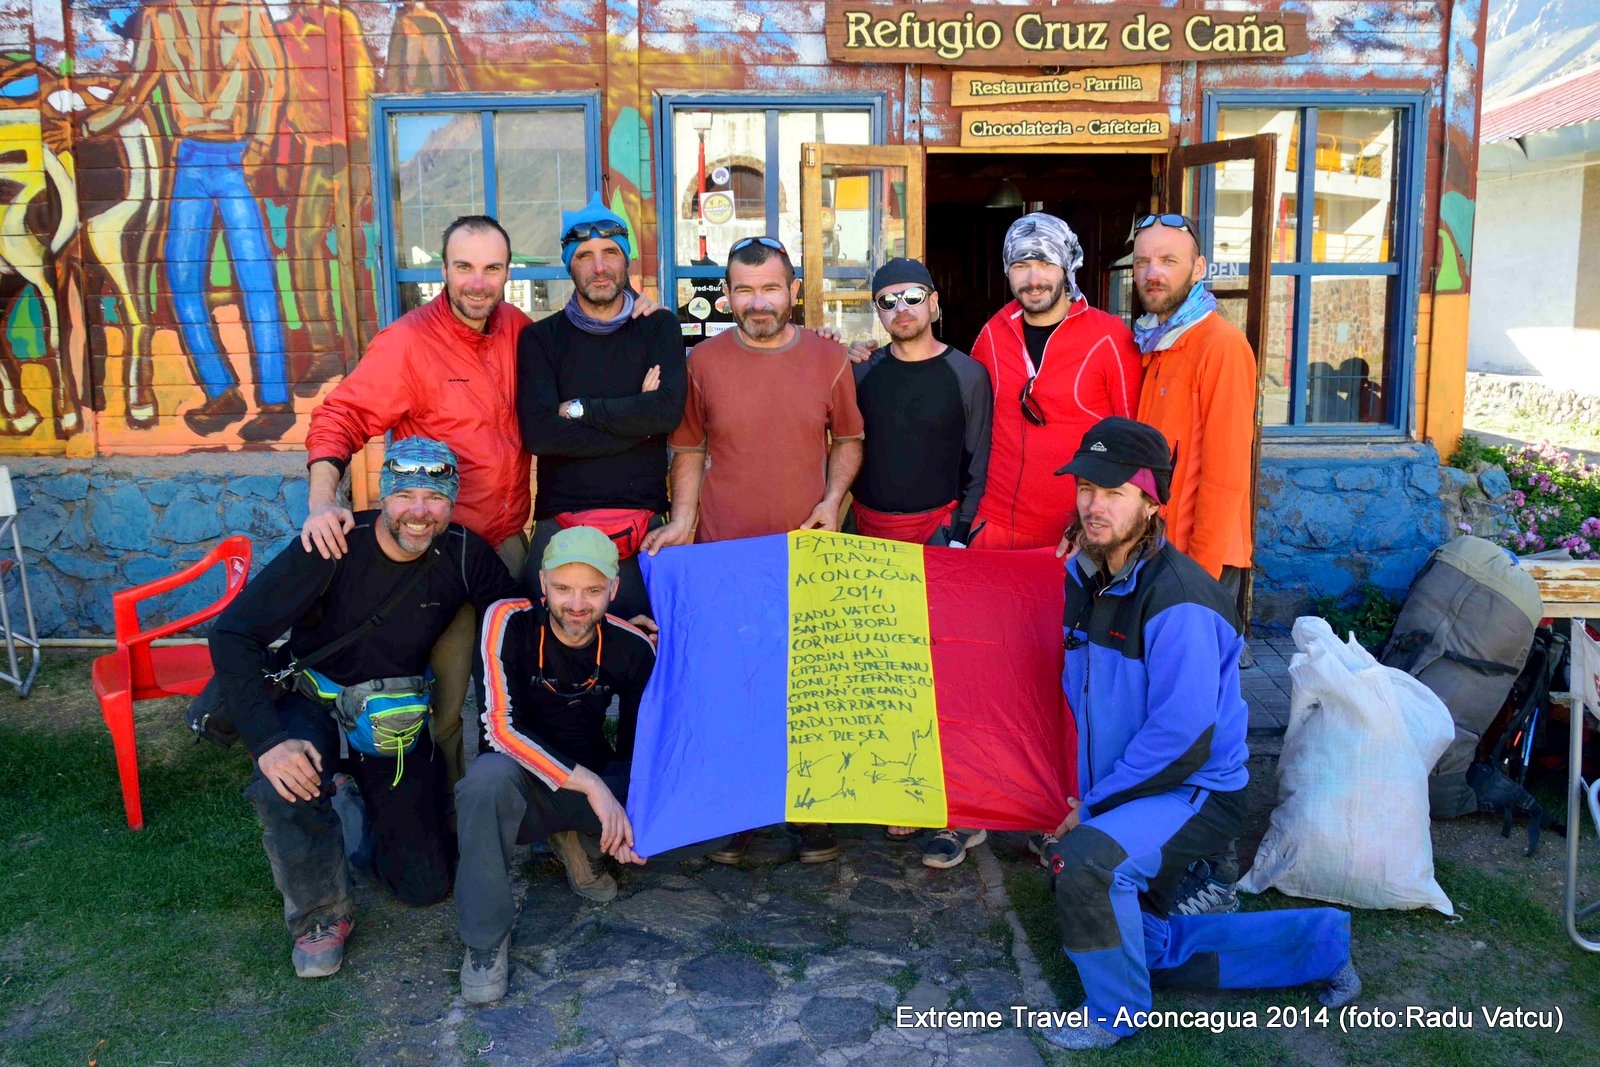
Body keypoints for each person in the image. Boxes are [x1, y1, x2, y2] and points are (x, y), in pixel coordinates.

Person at [1037, 416, 1359, 1051]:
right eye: (1085, 489)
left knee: (1084, 870)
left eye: (1113, 492)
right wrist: (1081, 797)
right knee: (1131, 927)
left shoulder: (1178, 598)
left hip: (1198, 790)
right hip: (1144, 786)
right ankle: (1319, 946)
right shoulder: (1086, 574)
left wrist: (1096, 810)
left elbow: (1183, 740)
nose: (1093, 505)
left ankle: (1114, 1014)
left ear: (1150, 501)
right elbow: (1086, 701)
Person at [209, 438, 520, 979]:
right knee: (287, 780)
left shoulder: (465, 554)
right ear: (384, 494)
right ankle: (318, 915)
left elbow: (521, 622)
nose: (419, 512)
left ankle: (354, 808)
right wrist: (268, 744)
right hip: (313, 699)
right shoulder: (332, 544)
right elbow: (234, 633)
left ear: (451, 500)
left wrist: (603, 626)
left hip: (389, 714)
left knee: (426, 886)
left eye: (434, 496)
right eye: (405, 495)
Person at [643, 235, 864, 864]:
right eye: (744, 289)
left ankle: (810, 814)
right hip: (725, 551)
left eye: (770, 288)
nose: (758, 302)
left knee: (808, 686)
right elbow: (688, 448)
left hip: (807, 553)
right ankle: (737, 816)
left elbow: (848, 439)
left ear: (793, 290)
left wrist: (832, 504)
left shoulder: (830, 359)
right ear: (728, 294)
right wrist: (683, 520)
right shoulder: (703, 362)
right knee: (732, 685)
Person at [300, 215, 531, 785]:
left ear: (507, 271)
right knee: (448, 702)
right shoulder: (407, 343)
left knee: (516, 685)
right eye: (464, 267)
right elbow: (342, 415)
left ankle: (513, 805)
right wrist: (323, 499)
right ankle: (443, 824)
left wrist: (633, 309)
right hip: (441, 552)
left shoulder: (519, 330)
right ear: (444, 270)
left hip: (505, 545)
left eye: (491, 268)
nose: (478, 283)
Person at [456, 526, 659, 1004]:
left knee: (681, 820)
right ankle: (485, 942)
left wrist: (641, 819)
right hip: (520, 785)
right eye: (564, 588)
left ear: (613, 589)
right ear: (543, 583)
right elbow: (497, 729)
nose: (577, 604)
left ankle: (582, 840)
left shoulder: (632, 644)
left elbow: (643, 746)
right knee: (482, 784)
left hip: (592, 783)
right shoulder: (508, 620)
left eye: (592, 590)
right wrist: (593, 788)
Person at [79, 0, 291, 439]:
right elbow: (135, 89)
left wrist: (262, 144)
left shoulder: (247, 12)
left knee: (256, 278)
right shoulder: (159, 18)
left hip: (238, 156)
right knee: (181, 280)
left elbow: (274, 78)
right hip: (190, 157)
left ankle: (276, 399)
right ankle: (222, 392)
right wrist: (82, 129)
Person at [1130, 212, 1260, 914]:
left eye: (1169, 261)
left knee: (1208, 721)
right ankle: (1165, 854)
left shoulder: (1218, 344)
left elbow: (1224, 474)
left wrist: (1202, 580)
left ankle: (1214, 870)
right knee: (1166, 716)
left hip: (1199, 567)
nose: (1154, 273)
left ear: (1198, 267)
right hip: (1158, 562)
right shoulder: (1154, 345)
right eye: (1145, 261)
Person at [851, 256, 994, 868]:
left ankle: (955, 803)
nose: (900, 310)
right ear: (877, 312)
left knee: (943, 671)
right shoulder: (861, 373)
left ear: (934, 302)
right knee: (886, 668)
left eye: (912, 297)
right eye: (887, 301)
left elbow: (979, 460)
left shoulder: (967, 375)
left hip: (937, 535)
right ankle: (899, 792)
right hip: (869, 532)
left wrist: (959, 534)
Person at [517, 195, 687, 621]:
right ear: (569, 264)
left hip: (645, 524)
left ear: (626, 259)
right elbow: (540, 435)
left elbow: (667, 414)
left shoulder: (659, 327)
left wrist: (580, 409)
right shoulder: (541, 339)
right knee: (555, 650)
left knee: (645, 647)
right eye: (585, 255)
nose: (599, 266)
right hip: (562, 519)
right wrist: (637, 424)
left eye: (610, 252)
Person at [968, 213, 1142, 549]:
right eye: (1020, 265)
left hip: (1074, 537)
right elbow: (955, 397)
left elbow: (1135, 446)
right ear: (1007, 271)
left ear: (1066, 268)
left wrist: (1095, 525)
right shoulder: (993, 332)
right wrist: (868, 357)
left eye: (1046, 263)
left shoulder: (1109, 336)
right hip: (995, 527)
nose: (1034, 278)